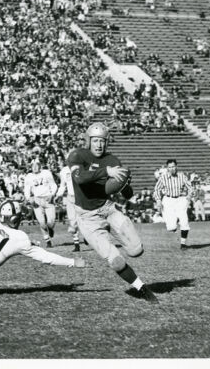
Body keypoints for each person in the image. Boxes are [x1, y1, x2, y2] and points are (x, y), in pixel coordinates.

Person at [67, 123, 158, 303]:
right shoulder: (78, 155)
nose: (99, 145)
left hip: (108, 209)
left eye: (102, 141)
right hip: (88, 217)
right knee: (116, 261)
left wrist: (125, 184)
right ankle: (141, 288)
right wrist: (106, 172)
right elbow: (79, 178)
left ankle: (110, 236)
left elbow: (127, 194)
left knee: (136, 250)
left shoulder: (113, 161)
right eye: (95, 141)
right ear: (88, 140)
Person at [153, 159, 193, 249]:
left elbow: (190, 187)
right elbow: (156, 190)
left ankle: (183, 244)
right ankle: (174, 223)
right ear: (167, 168)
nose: (172, 169)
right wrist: (158, 200)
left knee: (184, 222)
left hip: (180, 199)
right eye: (170, 167)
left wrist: (189, 195)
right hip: (168, 200)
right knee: (171, 227)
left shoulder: (182, 176)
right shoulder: (163, 177)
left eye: (173, 166)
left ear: (176, 166)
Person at [24, 159, 58, 247]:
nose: (34, 167)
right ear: (30, 167)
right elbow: (26, 189)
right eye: (33, 165)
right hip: (37, 200)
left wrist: (52, 194)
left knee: (51, 222)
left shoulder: (46, 173)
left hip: (48, 199)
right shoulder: (29, 176)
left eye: (36, 165)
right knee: (42, 223)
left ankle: (50, 228)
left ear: (40, 166)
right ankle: (48, 241)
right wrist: (29, 198)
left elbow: (53, 184)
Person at [55, 159, 81, 252]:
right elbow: (63, 185)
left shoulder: (81, 167)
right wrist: (58, 195)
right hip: (70, 197)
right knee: (72, 220)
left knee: (84, 219)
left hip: (81, 197)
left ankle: (87, 237)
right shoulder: (64, 170)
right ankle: (77, 244)